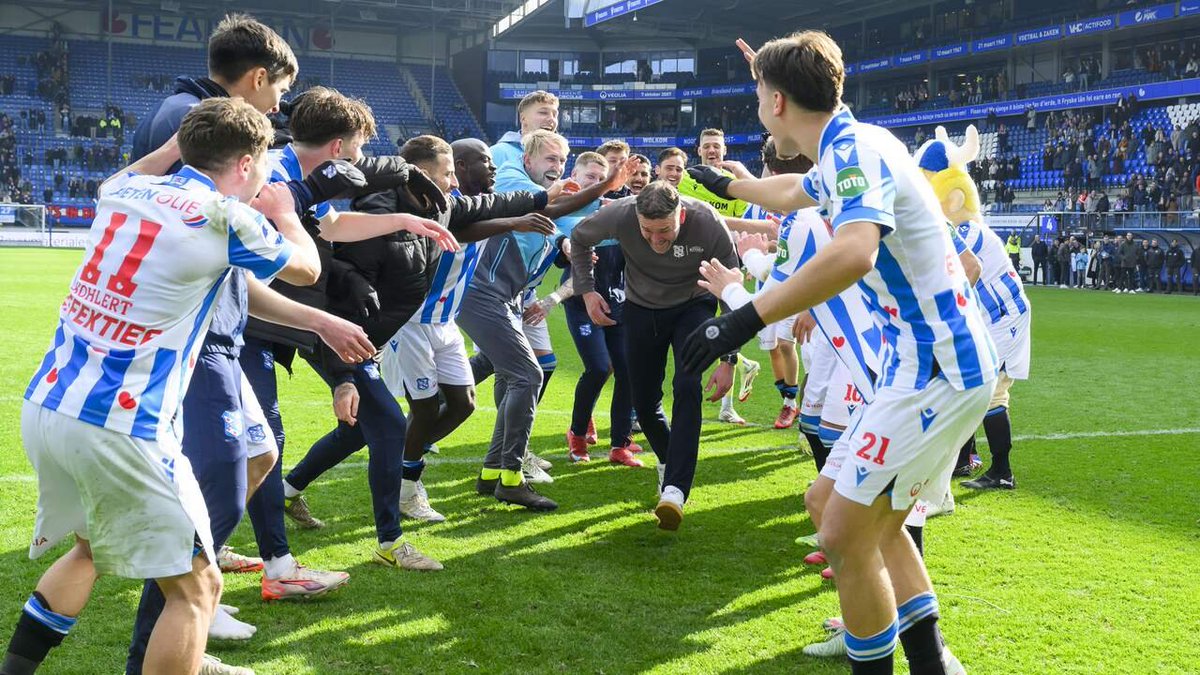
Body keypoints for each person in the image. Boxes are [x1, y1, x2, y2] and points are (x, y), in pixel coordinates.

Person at [682, 32, 997, 674]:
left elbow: (855, 251)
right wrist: (730, 187)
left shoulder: (851, 149)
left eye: (758, 94)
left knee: (845, 533)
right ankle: (933, 662)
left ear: (775, 101)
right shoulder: (853, 144)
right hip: (922, 363)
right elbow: (793, 193)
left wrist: (741, 319)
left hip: (936, 364)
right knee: (833, 509)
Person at [3, 98, 326, 675]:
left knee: (90, 548)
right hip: (123, 423)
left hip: (50, 401)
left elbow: (142, 172)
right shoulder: (228, 217)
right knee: (198, 589)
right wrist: (286, 212)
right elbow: (307, 270)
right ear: (249, 162)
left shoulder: (123, 190)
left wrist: (185, 139)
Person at [457, 130, 637, 510]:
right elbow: (547, 209)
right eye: (549, 159)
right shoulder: (511, 179)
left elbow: (590, 227)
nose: (556, 167)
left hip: (504, 299)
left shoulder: (556, 201)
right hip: (482, 295)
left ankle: (493, 473)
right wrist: (604, 185)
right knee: (529, 374)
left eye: (560, 160)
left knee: (511, 373)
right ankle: (511, 477)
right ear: (527, 160)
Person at [570, 181, 738, 530]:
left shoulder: (709, 224)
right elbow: (580, 239)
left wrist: (728, 359)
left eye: (666, 231)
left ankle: (675, 490)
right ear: (635, 217)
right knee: (644, 403)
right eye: (648, 232)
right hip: (641, 309)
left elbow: (731, 294)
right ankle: (667, 460)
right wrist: (587, 292)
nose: (657, 241)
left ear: (683, 215)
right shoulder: (618, 214)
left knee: (687, 384)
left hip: (694, 305)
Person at [541, 151, 644, 466]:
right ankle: (577, 434)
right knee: (599, 368)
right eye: (591, 178)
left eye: (602, 179)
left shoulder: (616, 212)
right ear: (575, 176)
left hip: (619, 305)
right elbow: (563, 255)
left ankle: (619, 444)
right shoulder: (564, 216)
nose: (597, 184)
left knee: (628, 370)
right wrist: (567, 252)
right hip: (582, 305)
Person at [676, 129, 761, 425]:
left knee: (731, 326)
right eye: (707, 146)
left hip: (725, 263)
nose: (712, 151)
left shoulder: (735, 185)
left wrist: (747, 259)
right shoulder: (687, 178)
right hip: (691, 264)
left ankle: (727, 406)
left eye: (717, 147)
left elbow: (739, 229)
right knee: (686, 330)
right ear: (699, 149)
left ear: (724, 150)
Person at [490, 90, 558, 170]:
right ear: (523, 118)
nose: (551, 119)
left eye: (555, 115)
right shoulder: (498, 152)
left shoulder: (556, 155)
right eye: (543, 113)